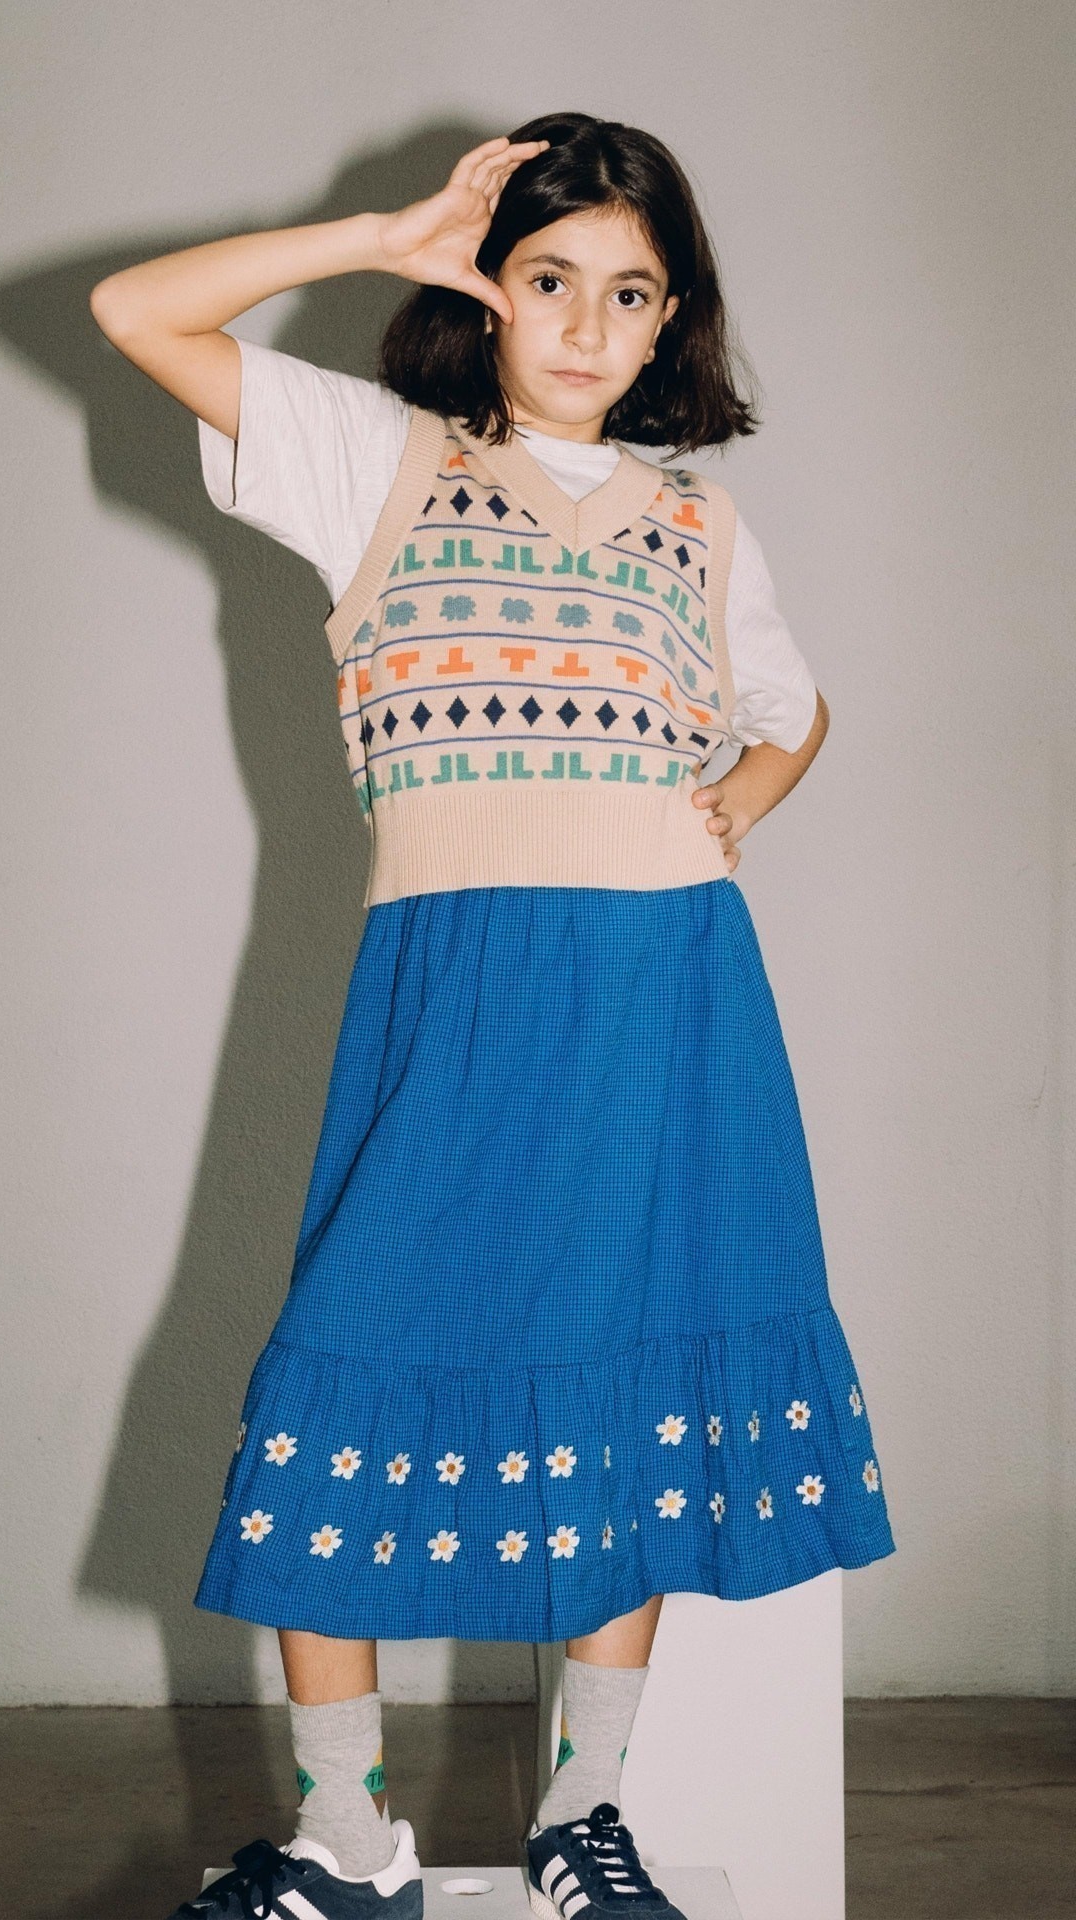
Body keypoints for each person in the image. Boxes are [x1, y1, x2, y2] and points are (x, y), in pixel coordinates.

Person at [90, 110, 896, 1920]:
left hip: (669, 994)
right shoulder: (374, 461)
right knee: (343, 1362)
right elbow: (137, 311)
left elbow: (792, 713)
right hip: (459, 991)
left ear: (673, 315)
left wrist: (734, 806)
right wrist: (372, 236)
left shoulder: (701, 522)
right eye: (550, 279)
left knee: (629, 1377)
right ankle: (348, 1836)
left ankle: (581, 1821)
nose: (589, 326)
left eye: (631, 292)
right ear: (488, 289)